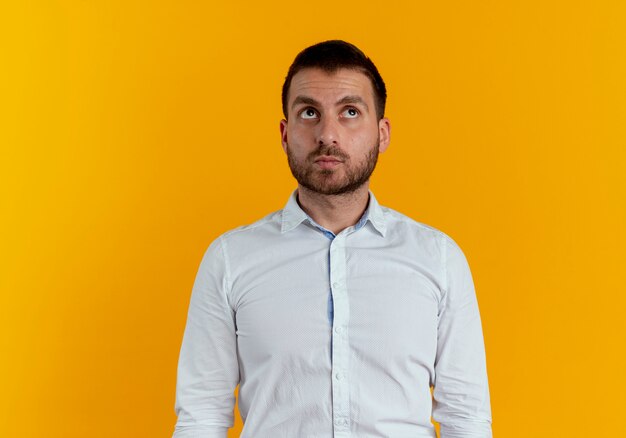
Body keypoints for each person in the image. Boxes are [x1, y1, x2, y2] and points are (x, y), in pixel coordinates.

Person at [173, 40, 492, 438]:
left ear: (382, 133)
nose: (328, 134)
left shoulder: (438, 259)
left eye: (350, 112)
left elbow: (466, 419)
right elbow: (201, 417)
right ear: (285, 133)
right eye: (309, 113)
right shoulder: (230, 260)